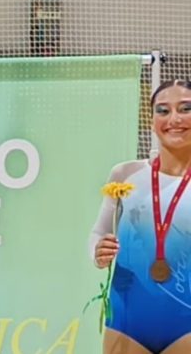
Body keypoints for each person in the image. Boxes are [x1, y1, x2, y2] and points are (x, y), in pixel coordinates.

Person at [90, 80, 191, 354]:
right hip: (127, 322)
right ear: (151, 121)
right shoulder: (125, 174)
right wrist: (98, 252)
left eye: (186, 108)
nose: (174, 119)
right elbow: (99, 232)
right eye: (163, 110)